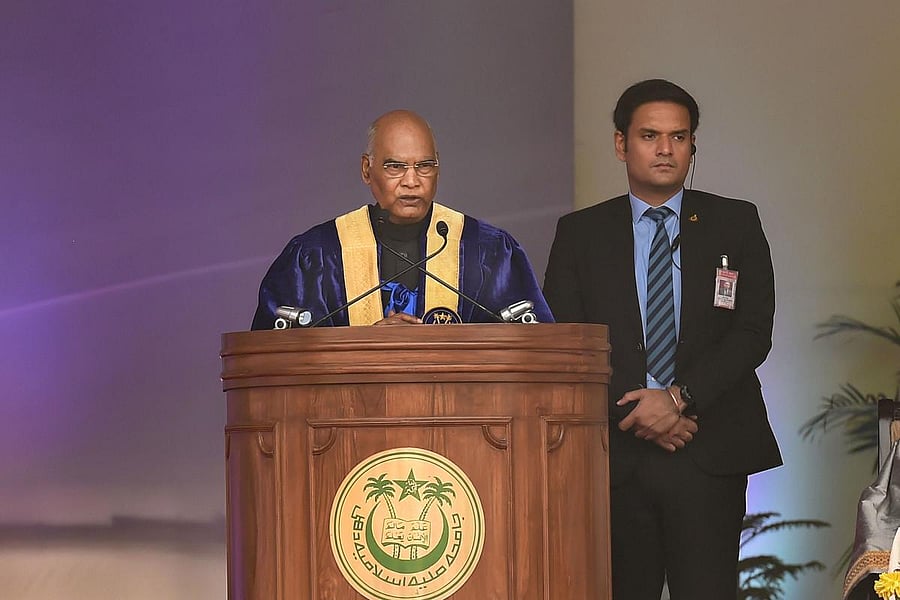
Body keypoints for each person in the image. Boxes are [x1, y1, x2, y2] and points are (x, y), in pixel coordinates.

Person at [543, 79, 782, 599]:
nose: (665, 149)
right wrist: (639, 411)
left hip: (708, 446)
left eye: (679, 137)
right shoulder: (580, 233)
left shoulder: (735, 222)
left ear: (693, 144)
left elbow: (752, 332)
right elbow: (565, 344)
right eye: (650, 135)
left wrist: (677, 398)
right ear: (621, 144)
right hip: (615, 453)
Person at [251, 109, 552, 329]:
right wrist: (367, 346)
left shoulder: (486, 251)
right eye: (395, 167)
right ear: (367, 170)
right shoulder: (318, 256)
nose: (412, 181)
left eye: (424, 166)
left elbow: (534, 347)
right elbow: (273, 354)